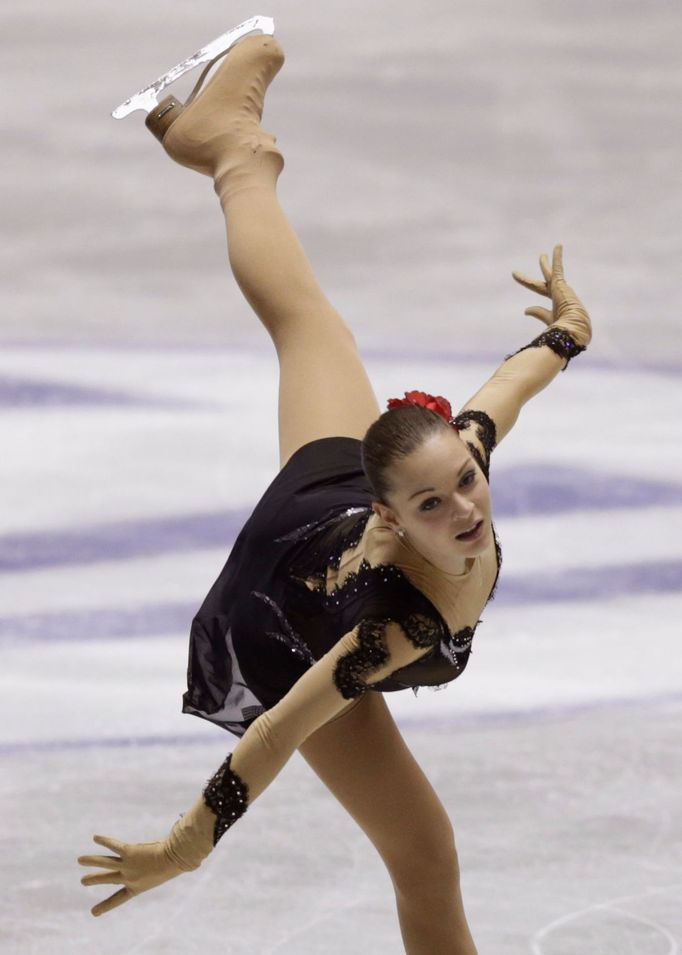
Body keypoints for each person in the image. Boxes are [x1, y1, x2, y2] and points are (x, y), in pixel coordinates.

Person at [77, 27, 592, 955]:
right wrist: (188, 844)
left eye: (467, 483)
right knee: (425, 852)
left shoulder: (456, 458)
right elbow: (274, 734)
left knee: (311, 324)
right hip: (287, 619)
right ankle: (227, 147)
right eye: (435, 504)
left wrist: (567, 330)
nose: (467, 509)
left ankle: (231, 152)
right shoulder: (387, 629)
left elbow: (511, 383)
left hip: (332, 507)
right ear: (389, 508)